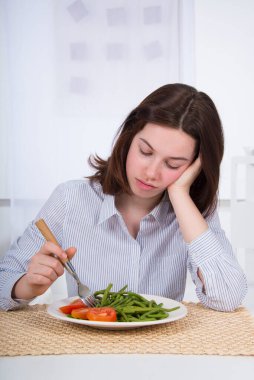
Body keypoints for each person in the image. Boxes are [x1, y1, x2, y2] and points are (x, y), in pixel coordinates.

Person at [0, 83, 247, 312]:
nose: (151, 173)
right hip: (85, 349)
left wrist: (180, 194)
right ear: (129, 138)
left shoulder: (193, 214)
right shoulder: (70, 198)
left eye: (173, 164)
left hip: (161, 352)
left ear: (195, 167)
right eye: (145, 151)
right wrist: (27, 286)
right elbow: (4, 282)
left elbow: (228, 298)